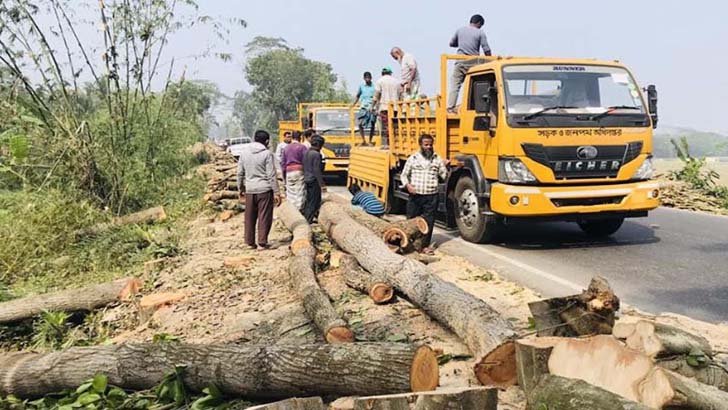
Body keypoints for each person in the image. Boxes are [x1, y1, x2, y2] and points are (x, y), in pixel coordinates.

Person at [400, 134, 448, 254]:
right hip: (416, 195)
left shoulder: (437, 159)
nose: (428, 147)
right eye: (426, 144)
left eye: (430, 144)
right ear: (420, 145)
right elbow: (404, 175)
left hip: (431, 196)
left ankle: (424, 246)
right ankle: (408, 245)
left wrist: (447, 167)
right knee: (411, 220)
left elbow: (444, 176)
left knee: (429, 222)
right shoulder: (413, 159)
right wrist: (408, 185)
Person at [237, 130, 281, 250]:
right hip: (264, 189)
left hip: (250, 189)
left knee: (249, 216)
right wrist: (276, 192)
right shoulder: (267, 154)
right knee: (264, 216)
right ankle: (262, 242)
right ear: (267, 141)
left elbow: (240, 173)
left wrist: (240, 188)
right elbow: (271, 175)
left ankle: (250, 242)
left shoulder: (244, 153)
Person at [448, 14, 492, 113]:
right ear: (479, 23)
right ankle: (475, 107)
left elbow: (451, 43)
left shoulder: (460, 30)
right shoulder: (480, 33)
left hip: (460, 61)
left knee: (455, 85)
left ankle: (450, 108)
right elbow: (486, 49)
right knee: (476, 84)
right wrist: (491, 61)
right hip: (473, 64)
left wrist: (461, 43)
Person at [370, 67, 401, 148]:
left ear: (382, 73)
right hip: (395, 108)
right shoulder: (397, 82)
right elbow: (401, 96)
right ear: (390, 73)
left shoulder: (380, 81)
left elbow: (376, 95)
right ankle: (394, 143)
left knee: (385, 126)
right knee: (393, 125)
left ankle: (385, 144)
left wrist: (372, 106)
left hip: (384, 107)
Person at [302, 134, 327, 223]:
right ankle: (308, 220)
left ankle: (308, 217)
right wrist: (322, 184)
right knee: (314, 202)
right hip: (314, 180)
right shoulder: (316, 154)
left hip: (306, 178)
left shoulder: (306, 152)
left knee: (308, 200)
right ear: (319, 144)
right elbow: (317, 170)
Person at [280, 131, 307, 210]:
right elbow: (305, 161)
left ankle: (292, 210)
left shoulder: (286, 148)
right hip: (299, 170)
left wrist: (284, 176)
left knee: (290, 191)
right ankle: (299, 209)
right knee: (299, 191)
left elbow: (283, 164)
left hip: (289, 171)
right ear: (300, 137)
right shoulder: (302, 147)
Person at [352, 71, 377, 146]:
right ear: (364, 78)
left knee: (372, 124)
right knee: (360, 124)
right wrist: (353, 104)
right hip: (363, 107)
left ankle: (370, 141)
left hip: (372, 107)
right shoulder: (361, 86)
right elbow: (358, 95)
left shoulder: (374, 87)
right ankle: (363, 140)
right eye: (366, 78)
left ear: (371, 78)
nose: (367, 79)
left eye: (369, 78)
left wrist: (375, 106)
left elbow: (377, 97)